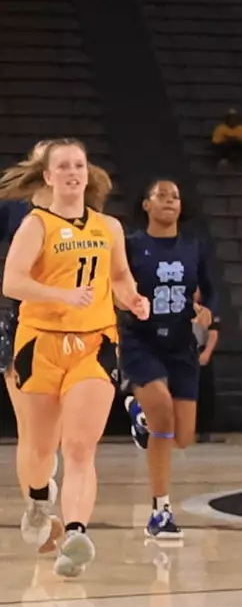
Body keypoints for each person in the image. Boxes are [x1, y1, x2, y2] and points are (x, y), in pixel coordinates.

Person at [2, 139, 150, 577]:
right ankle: (36, 501)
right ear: (47, 176)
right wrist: (60, 294)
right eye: (63, 166)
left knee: (81, 447)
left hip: (94, 344)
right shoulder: (36, 225)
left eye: (79, 165)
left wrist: (133, 299)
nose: (72, 172)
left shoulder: (110, 227)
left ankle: (77, 534)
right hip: (40, 345)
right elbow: (12, 282)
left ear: (88, 173)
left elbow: (120, 278)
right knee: (39, 449)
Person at [118, 179, 222, 541]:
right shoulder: (130, 245)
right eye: (161, 195)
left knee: (182, 437)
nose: (169, 200)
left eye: (175, 196)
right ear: (145, 204)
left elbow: (211, 291)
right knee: (162, 416)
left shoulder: (194, 246)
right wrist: (125, 301)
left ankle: (138, 413)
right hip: (140, 339)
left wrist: (209, 315)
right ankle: (160, 511)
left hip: (181, 344)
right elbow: (114, 284)